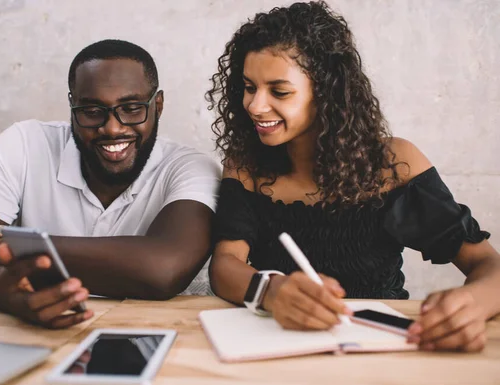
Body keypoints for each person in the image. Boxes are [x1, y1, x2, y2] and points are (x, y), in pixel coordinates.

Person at [206, 1, 500, 352]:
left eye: (279, 91)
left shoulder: (394, 163)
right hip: (280, 344)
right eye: (249, 87)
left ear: (326, 92)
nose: (254, 105)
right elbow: (225, 265)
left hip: (384, 345)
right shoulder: (246, 164)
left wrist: (472, 306)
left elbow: (486, 263)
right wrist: (269, 291)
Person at [0, 39, 220, 329]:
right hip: (25, 334)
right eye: (91, 110)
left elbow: (162, 269)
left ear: (159, 105)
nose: (112, 128)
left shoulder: (190, 167)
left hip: (145, 339)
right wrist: (3, 291)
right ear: (73, 106)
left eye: (131, 108)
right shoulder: (25, 144)